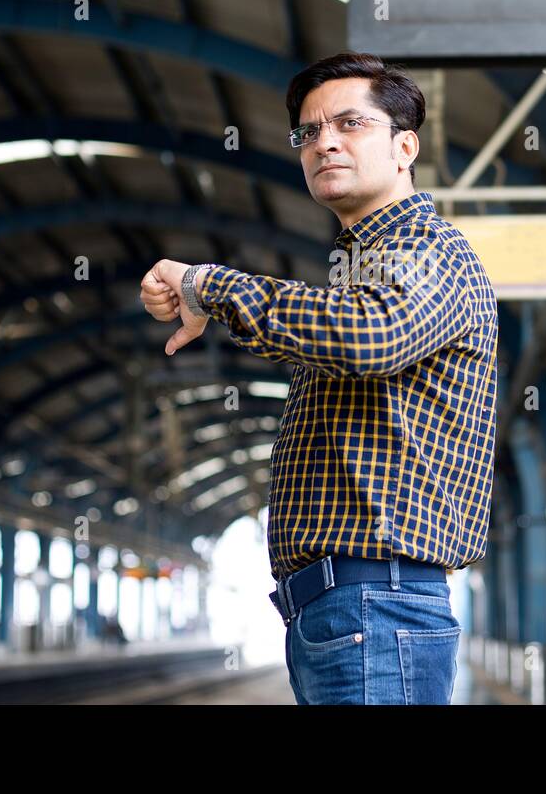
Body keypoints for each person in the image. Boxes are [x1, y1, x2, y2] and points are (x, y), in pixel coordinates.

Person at [140, 52, 497, 704]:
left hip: (376, 605)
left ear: (404, 146)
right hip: (346, 609)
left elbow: (369, 336)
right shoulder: (363, 270)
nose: (324, 142)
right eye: (308, 132)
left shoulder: (429, 248)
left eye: (351, 124)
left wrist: (207, 283)